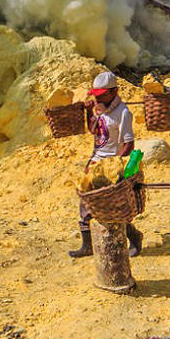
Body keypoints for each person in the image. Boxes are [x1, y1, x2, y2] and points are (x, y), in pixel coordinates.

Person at [69, 71, 143, 258]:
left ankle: (134, 236)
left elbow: (128, 143)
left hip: (111, 163)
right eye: (96, 94)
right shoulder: (99, 108)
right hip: (95, 161)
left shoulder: (123, 112)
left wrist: (115, 168)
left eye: (102, 94)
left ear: (114, 91)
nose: (97, 97)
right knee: (87, 200)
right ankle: (88, 246)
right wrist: (88, 112)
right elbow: (93, 131)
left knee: (111, 208)